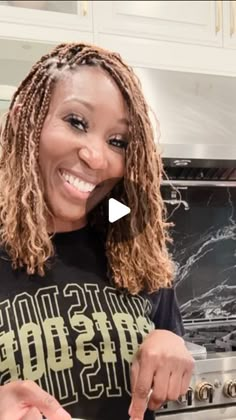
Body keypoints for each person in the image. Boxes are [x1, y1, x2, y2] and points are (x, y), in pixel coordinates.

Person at [0, 42, 194, 420]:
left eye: (117, 141)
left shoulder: (135, 249)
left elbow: (172, 346)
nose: (96, 156)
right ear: (26, 118)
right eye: (76, 122)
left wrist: (172, 342)